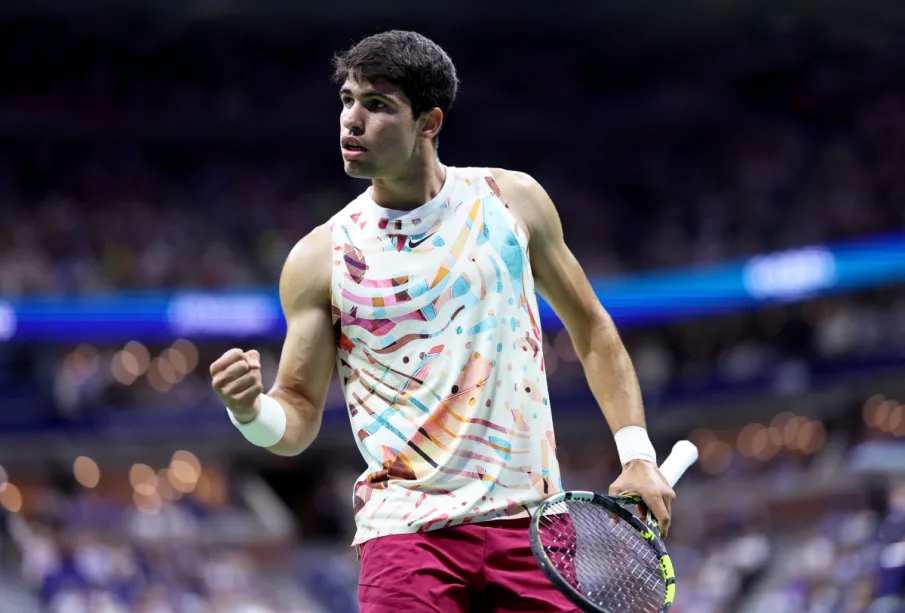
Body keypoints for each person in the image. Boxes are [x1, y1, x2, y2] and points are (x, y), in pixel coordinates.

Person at [210, 30, 675, 613]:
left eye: (377, 105)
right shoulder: (320, 258)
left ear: (429, 122)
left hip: (532, 526)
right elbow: (297, 416)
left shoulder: (512, 202)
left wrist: (637, 455)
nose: (351, 121)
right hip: (405, 535)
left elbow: (592, 330)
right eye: (347, 101)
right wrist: (249, 411)